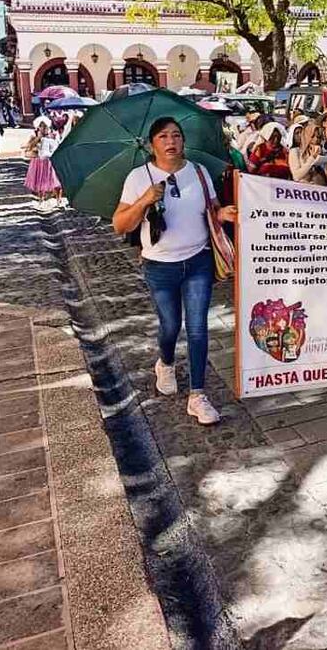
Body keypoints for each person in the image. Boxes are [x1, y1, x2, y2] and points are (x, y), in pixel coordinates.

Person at [111, 117, 237, 425]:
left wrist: (223, 213)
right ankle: (165, 363)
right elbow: (120, 224)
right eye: (164, 136)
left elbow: (211, 208)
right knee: (170, 325)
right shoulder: (139, 177)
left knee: (197, 327)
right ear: (152, 143)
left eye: (177, 135)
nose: (171, 141)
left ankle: (198, 395)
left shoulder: (199, 171)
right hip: (159, 265)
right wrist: (144, 200)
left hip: (199, 261)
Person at [23, 117, 61, 204]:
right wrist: (38, 138)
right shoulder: (34, 136)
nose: (44, 128)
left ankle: (58, 199)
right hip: (38, 161)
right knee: (40, 180)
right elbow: (29, 147)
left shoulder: (53, 135)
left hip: (50, 161)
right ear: (38, 127)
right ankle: (41, 198)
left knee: (55, 180)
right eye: (42, 126)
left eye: (45, 126)